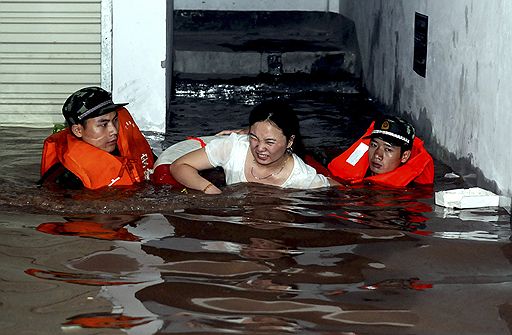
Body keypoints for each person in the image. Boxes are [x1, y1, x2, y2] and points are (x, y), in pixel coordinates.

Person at [170, 100, 339, 194]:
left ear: (289, 141)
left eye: (270, 142)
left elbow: (337, 188)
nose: (260, 148)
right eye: (254, 138)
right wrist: (209, 189)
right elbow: (179, 165)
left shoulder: (302, 178)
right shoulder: (235, 147)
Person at [39, 86, 155, 190]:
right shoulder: (66, 179)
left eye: (115, 121)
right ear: (78, 130)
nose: (114, 130)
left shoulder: (125, 147)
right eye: (103, 124)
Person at [328, 115, 434, 187]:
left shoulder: (411, 193)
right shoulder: (348, 177)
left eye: (388, 149)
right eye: (374, 145)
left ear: (405, 156)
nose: (377, 155)